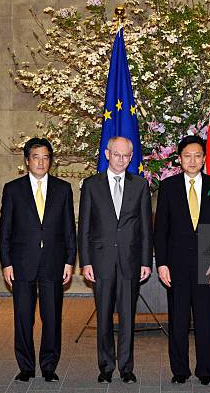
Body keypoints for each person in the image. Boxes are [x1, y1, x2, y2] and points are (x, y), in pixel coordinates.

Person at [154, 135, 210, 386]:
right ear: (179, 159)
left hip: (209, 266)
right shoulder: (168, 187)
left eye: (198, 155)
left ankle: (207, 370)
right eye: (188, 156)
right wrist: (162, 263)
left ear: (205, 158)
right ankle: (180, 370)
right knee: (178, 320)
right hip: (176, 266)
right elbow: (161, 229)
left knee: (206, 319)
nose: (193, 160)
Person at [0, 137, 77, 383]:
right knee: (23, 316)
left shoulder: (63, 188)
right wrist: (6, 263)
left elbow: (69, 229)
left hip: (54, 262)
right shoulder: (12, 189)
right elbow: (5, 230)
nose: (41, 162)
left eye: (45, 157)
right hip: (22, 262)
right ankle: (25, 366)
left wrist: (69, 261)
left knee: (52, 316)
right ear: (26, 161)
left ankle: (49, 365)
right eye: (36, 157)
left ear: (50, 161)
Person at [78, 136, 153, 384]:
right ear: (107, 154)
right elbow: (85, 228)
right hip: (100, 262)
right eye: (116, 154)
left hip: (131, 261)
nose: (121, 159)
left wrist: (145, 261)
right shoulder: (91, 185)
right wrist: (86, 262)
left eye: (126, 156)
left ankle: (127, 367)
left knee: (128, 316)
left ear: (131, 158)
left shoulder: (140, 185)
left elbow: (145, 227)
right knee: (104, 316)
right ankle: (106, 366)